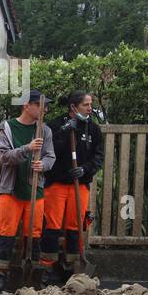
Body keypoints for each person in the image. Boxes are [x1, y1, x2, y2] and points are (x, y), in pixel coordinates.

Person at [0, 89, 56, 291]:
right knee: (6, 231)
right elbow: (5, 157)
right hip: (11, 189)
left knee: (34, 232)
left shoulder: (45, 130)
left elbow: (50, 156)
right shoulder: (6, 128)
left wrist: (42, 165)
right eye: (41, 105)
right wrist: (27, 148)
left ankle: (34, 271)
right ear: (27, 105)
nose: (45, 109)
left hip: (36, 189)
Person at [41, 90, 104, 281]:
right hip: (57, 182)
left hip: (80, 184)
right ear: (73, 107)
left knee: (75, 225)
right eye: (86, 105)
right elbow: (51, 151)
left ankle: (72, 266)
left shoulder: (93, 129)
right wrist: (66, 131)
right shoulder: (55, 126)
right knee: (52, 225)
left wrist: (85, 169)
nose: (90, 108)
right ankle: (46, 267)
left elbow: (98, 156)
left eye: (90, 104)